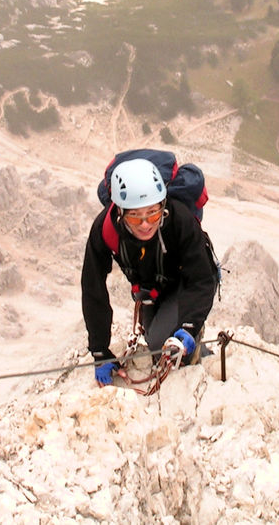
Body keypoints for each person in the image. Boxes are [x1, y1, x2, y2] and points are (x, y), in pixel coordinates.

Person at [81, 157, 219, 387]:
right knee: (154, 336)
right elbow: (92, 287)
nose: (146, 224)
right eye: (135, 216)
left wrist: (189, 326)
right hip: (152, 286)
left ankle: (197, 347)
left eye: (153, 214)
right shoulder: (104, 228)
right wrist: (99, 351)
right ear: (120, 212)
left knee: (159, 342)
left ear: (162, 207)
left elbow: (202, 279)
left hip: (188, 281)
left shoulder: (179, 219)